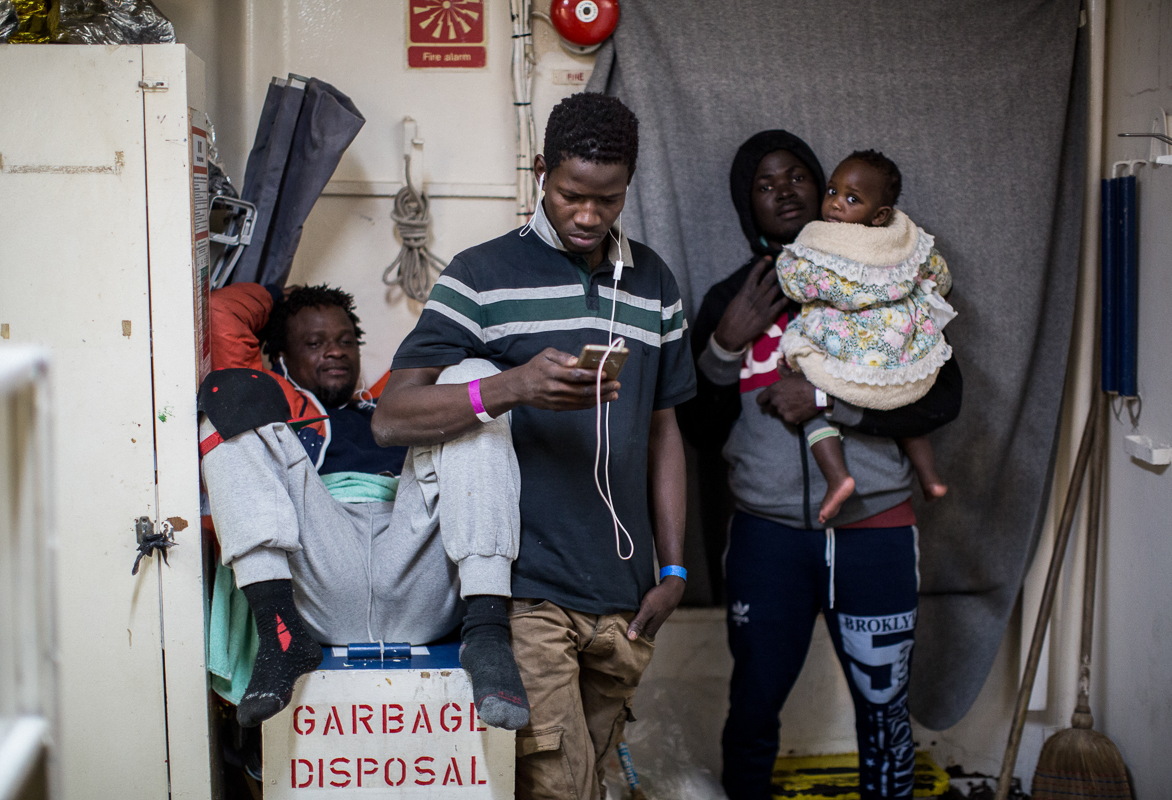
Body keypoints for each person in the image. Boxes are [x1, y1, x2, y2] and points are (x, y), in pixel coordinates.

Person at [373, 92, 696, 800]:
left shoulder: (653, 285)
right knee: (555, 787)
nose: (588, 216)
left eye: (607, 200)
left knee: (597, 778)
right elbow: (390, 418)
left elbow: (667, 429)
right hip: (525, 592)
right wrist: (512, 386)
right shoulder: (480, 276)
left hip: (625, 599)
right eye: (571, 194)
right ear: (541, 171)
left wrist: (673, 569)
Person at [677, 130, 962, 800]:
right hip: (767, 540)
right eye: (765, 183)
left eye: (799, 175)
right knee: (751, 710)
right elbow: (696, 427)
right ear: (746, 203)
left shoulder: (892, 286)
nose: (784, 191)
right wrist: (722, 343)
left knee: (884, 712)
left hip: (876, 533)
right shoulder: (732, 297)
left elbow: (944, 397)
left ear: (832, 190)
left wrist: (830, 400)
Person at [200, 282, 525, 730]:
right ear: (283, 357)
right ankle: (280, 635)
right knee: (227, 394)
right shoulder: (281, 405)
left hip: (416, 562)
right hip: (319, 567)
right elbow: (221, 312)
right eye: (313, 344)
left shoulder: (394, 398)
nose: (333, 353)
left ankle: (488, 630)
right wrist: (284, 292)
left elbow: (469, 344)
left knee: (472, 377)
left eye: (344, 341)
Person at [776, 150, 955, 523]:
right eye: (832, 191)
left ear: (880, 215)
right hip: (895, 345)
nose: (835, 204)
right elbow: (940, 277)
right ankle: (929, 476)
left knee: (800, 375)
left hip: (847, 349)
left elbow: (800, 284)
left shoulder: (822, 244)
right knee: (903, 399)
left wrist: (789, 269)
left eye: (852, 199)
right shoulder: (906, 243)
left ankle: (837, 477)